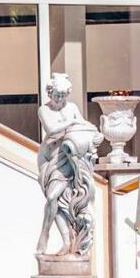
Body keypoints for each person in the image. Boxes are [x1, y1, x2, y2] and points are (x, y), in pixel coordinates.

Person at [36, 73, 103, 256]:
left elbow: (84, 125)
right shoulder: (44, 110)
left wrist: (95, 133)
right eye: (56, 95)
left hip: (66, 156)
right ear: (50, 93)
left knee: (55, 198)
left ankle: (53, 238)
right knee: (55, 200)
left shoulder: (72, 107)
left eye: (63, 95)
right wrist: (72, 122)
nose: (59, 99)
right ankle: (61, 239)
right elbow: (51, 129)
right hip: (48, 158)